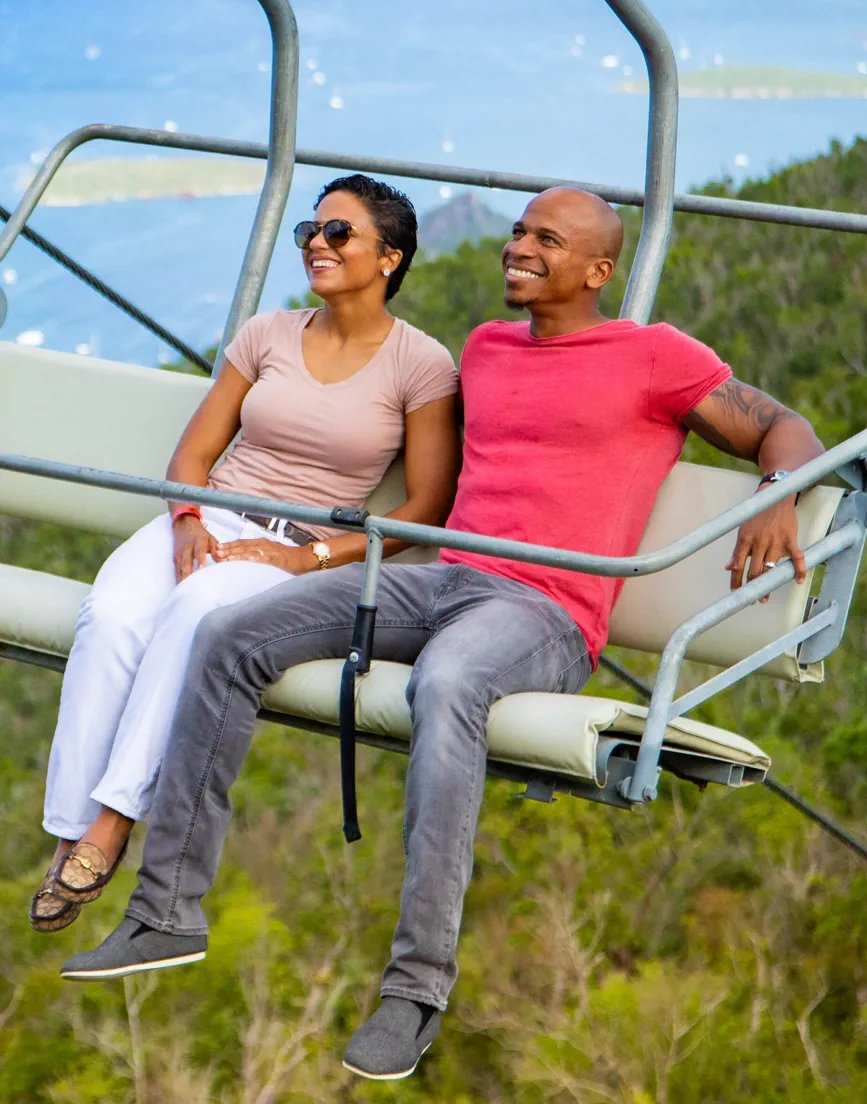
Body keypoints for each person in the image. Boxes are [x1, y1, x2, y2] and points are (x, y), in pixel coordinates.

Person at [63, 187, 823, 1082]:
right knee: (229, 635)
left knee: (449, 684)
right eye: (517, 232)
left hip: (542, 611)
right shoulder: (487, 349)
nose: (520, 248)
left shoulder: (654, 357)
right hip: (438, 578)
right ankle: (167, 912)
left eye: (549, 239)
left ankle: (416, 987)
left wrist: (779, 498)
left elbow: (780, 424)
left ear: (598, 270)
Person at [31, 174, 460, 934]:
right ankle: (68, 825)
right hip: (212, 515)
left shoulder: (419, 365)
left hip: (295, 542)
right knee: (113, 615)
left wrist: (308, 558)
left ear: (389, 258)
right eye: (309, 231)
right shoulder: (266, 333)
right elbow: (195, 450)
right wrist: (189, 518)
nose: (315, 246)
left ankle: (113, 819)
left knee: (194, 615)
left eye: (338, 234)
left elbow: (425, 509)